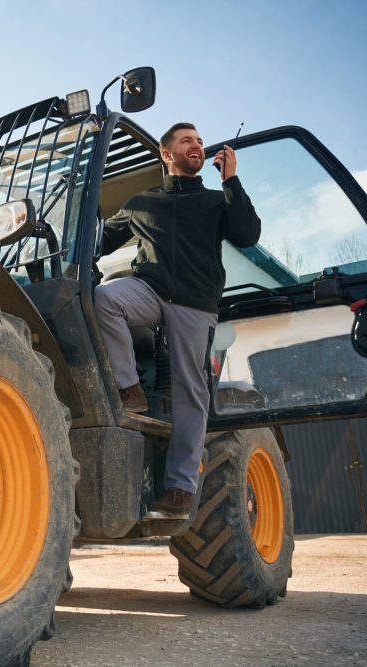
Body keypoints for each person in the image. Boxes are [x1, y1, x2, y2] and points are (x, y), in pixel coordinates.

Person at [94, 122, 261, 518]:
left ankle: (181, 487)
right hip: (150, 292)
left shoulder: (215, 202)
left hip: (194, 303)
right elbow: (98, 242)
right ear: (166, 154)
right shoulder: (141, 204)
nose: (197, 146)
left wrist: (231, 181)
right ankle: (130, 388)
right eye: (187, 140)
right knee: (104, 299)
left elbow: (247, 234)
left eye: (200, 142)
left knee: (192, 390)